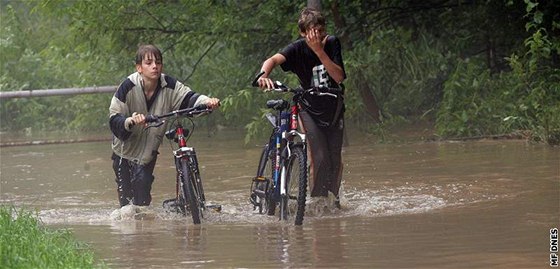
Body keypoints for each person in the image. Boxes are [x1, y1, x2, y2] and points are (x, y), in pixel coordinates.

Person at [255, 8, 346, 207]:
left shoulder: (331, 43)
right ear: (303, 33)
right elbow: (273, 60)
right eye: (313, 33)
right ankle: (318, 203)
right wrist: (263, 75)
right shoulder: (296, 48)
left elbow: (338, 77)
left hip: (334, 107)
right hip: (309, 108)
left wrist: (320, 51)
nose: (317, 36)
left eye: (320, 32)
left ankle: (333, 201)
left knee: (335, 160)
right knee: (319, 157)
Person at [109, 44, 220, 207]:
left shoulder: (170, 85)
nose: (155, 66)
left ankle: (143, 231)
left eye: (158, 62)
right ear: (139, 67)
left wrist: (207, 102)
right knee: (126, 204)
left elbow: (189, 98)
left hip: (148, 153)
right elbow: (114, 118)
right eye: (149, 63)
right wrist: (130, 121)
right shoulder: (127, 87)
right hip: (124, 152)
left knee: (142, 199)